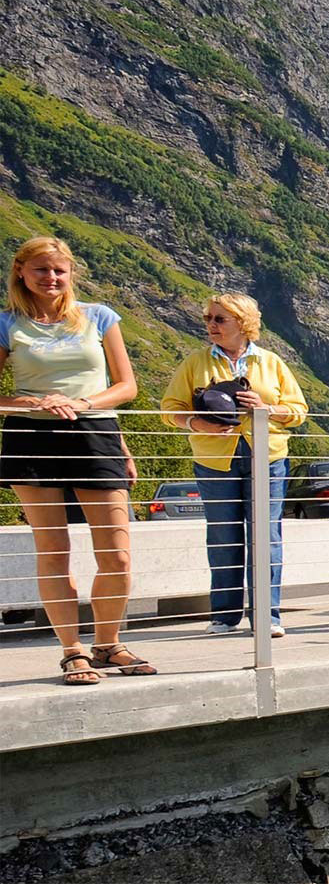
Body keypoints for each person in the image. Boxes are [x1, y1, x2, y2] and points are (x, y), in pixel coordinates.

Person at [2, 238, 147, 684]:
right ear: (22, 272)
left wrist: (84, 403)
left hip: (94, 430)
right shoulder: (7, 323)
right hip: (32, 436)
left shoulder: (101, 316)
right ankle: (72, 651)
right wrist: (25, 401)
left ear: (70, 274)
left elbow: (126, 386)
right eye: (41, 270)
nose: (51, 278)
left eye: (59, 271)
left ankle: (108, 644)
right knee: (53, 551)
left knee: (117, 555)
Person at [161, 293, 309, 639]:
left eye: (219, 319)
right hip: (215, 460)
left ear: (243, 323)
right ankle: (224, 616)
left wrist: (265, 409)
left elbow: (298, 410)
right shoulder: (195, 362)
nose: (211, 325)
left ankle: (267, 616)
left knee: (266, 536)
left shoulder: (271, 363)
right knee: (223, 536)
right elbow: (170, 408)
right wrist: (199, 424)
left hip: (267, 457)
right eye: (209, 319)